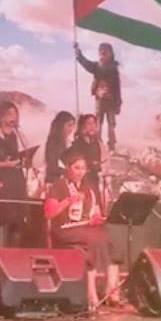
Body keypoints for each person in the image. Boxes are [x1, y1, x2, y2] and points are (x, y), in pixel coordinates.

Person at [44, 152, 115, 300]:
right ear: (68, 168)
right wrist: (68, 201)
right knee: (94, 238)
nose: (80, 172)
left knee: (105, 237)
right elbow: (49, 213)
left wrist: (95, 218)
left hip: (84, 228)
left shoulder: (88, 187)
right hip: (65, 229)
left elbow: (95, 211)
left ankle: (111, 290)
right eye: (77, 168)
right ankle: (91, 294)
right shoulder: (59, 185)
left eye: (83, 168)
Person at [0, 101, 30, 247]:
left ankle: (12, 255)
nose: (13, 117)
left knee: (16, 220)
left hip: (15, 180)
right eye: (9, 114)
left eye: (15, 113)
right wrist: (5, 164)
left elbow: (25, 153)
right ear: (1, 116)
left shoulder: (18, 134)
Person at [74, 42, 121, 149]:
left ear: (110, 54)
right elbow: (86, 64)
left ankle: (111, 146)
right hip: (100, 100)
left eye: (105, 52)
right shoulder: (97, 67)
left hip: (111, 101)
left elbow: (117, 88)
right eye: (101, 52)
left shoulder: (114, 69)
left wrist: (118, 104)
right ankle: (97, 145)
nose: (102, 54)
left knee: (111, 125)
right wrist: (78, 53)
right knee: (98, 123)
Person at [68, 113, 107, 195]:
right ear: (83, 126)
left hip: (95, 180)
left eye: (94, 124)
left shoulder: (97, 143)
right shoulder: (77, 144)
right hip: (81, 181)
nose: (92, 127)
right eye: (89, 124)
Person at [43, 111, 76, 186]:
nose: (71, 129)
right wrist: (68, 171)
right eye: (69, 125)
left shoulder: (66, 141)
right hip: (54, 180)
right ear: (61, 125)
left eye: (72, 126)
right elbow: (52, 164)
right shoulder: (53, 141)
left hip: (63, 180)